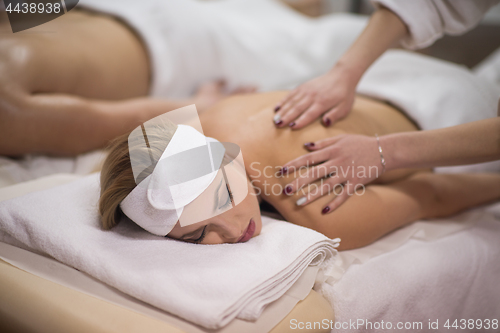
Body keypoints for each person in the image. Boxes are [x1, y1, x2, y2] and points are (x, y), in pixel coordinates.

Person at [99, 92, 500, 251]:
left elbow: (432, 193)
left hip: (454, 109)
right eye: (198, 235)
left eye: (222, 198)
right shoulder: (201, 124)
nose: (231, 230)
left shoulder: (315, 200)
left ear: (225, 159)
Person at [0, 0, 368, 156]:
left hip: (165, 38)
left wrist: (196, 107)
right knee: (300, 39)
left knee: (305, 42)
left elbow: (103, 122)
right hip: (140, 25)